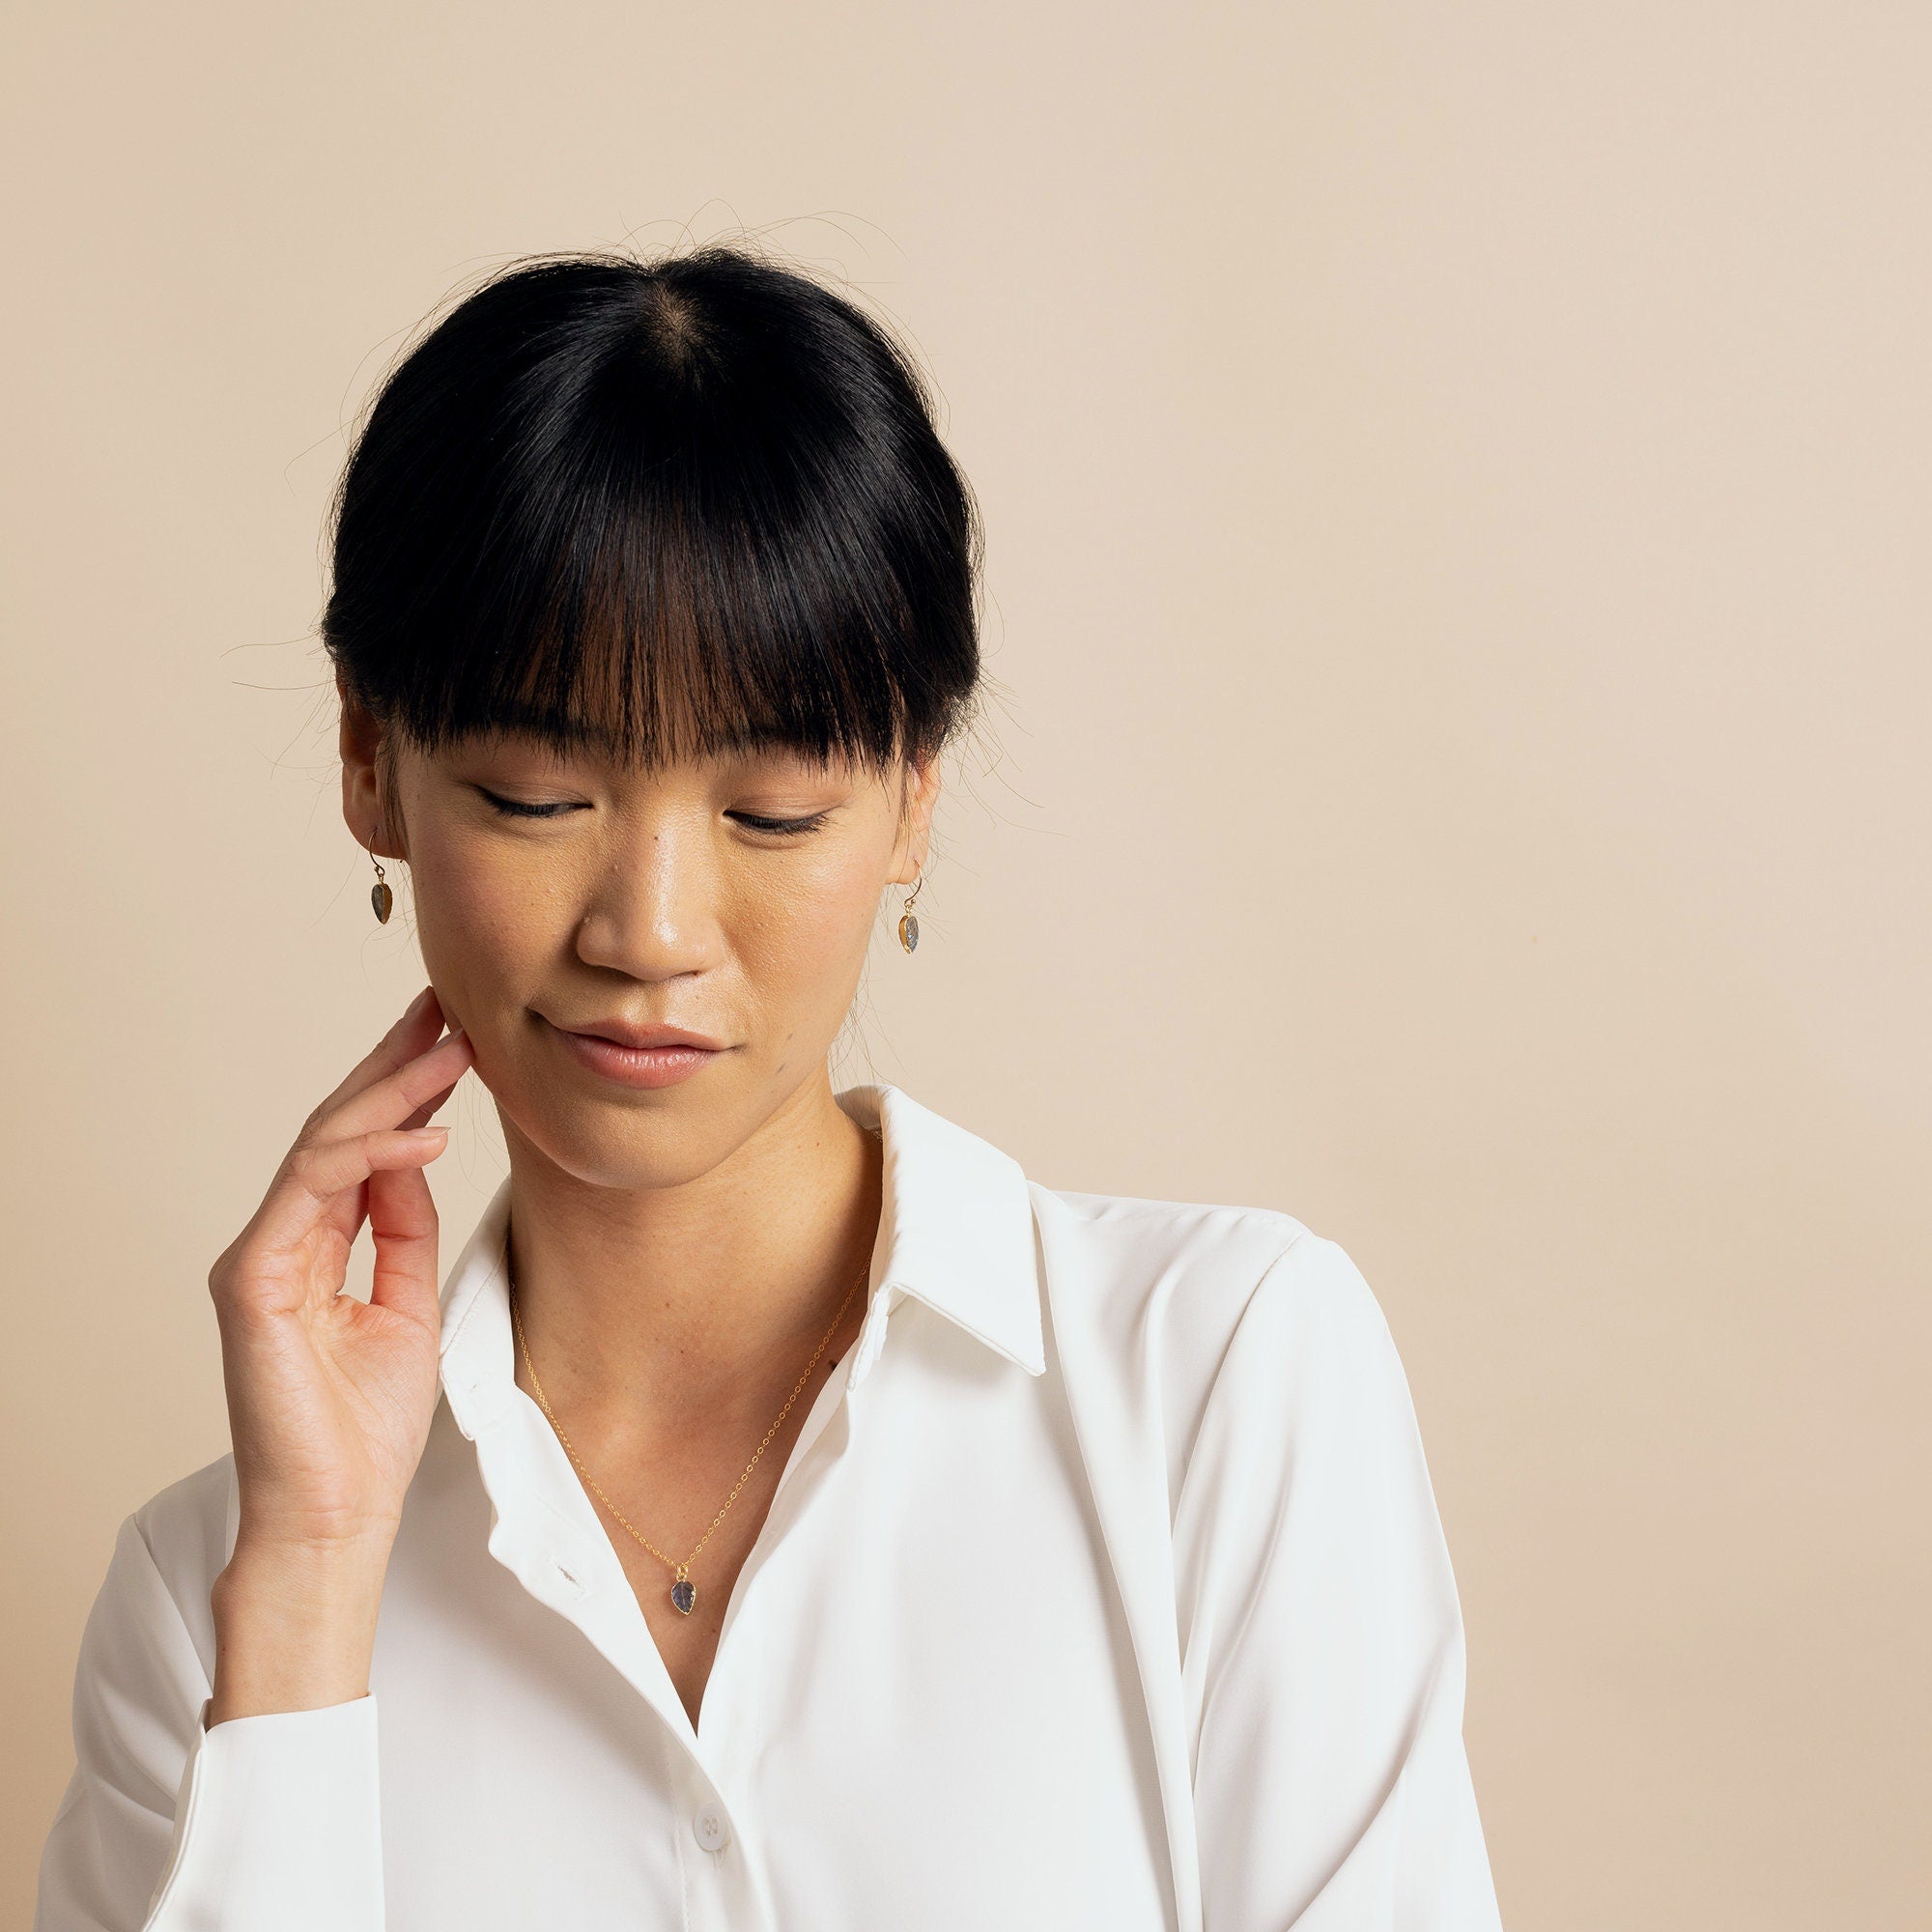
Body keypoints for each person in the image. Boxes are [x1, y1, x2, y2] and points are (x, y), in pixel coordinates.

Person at [33, 246, 1504, 1931]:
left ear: (913, 804)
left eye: (775, 814)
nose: (651, 934)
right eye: (531, 792)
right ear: (370, 763)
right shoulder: (212, 1593)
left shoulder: (1218, 1377)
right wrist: (302, 1592)